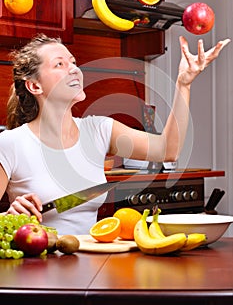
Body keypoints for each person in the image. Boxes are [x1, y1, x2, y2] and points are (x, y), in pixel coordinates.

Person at [0, 34, 230, 235]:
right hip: (36, 267)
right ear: (35, 86)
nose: (73, 69)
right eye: (59, 64)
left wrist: (183, 84)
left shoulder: (99, 130)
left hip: (89, 265)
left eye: (73, 62)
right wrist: (9, 216)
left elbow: (167, 150)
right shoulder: (10, 144)